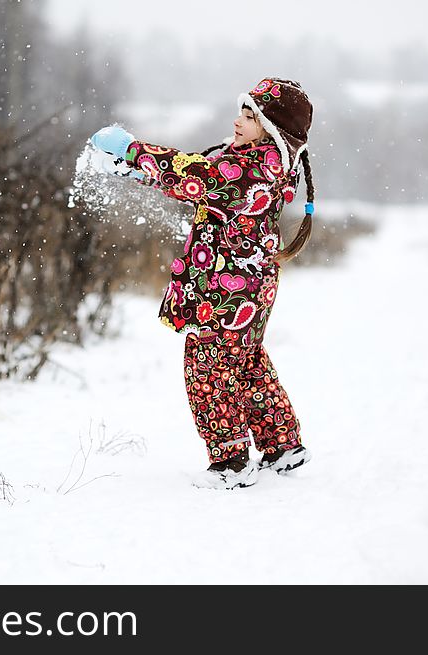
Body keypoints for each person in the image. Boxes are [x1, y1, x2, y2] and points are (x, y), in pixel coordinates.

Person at [90, 77, 315, 490]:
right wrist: (133, 170)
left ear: (272, 127)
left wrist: (132, 150)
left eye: (250, 116)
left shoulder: (253, 169)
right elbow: (198, 183)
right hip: (248, 285)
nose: (237, 121)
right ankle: (283, 446)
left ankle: (231, 462)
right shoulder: (259, 162)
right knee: (244, 362)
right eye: (241, 112)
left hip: (228, 289)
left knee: (207, 370)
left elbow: (200, 176)